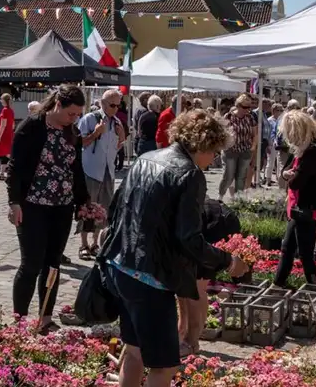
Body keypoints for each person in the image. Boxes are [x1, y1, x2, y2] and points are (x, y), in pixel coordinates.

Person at [101, 109, 247, 387]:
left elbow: (116, 210)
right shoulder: (190, 174)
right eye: (214, 151)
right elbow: (189, 238)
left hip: (122, 267)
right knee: (164, 365)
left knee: (134, 351)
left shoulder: (145, 158)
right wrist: (229, 261)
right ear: (203, 144)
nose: (214, 158)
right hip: (150, 277)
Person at [6, 85, 88, 332]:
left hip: (62, 207)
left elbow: (76, 169)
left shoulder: (72, 132)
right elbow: (15, 168)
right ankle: (19, 322)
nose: (74, 119)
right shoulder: (32, 127)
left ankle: (45, 318)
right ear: (58, 104)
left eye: (78, 115)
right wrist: (14, 202)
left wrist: (83, 202)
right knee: (31, 264)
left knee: (53, 264)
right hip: (33, 205)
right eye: (71, 113)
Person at [275, 110, 316, 288]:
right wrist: (286, 174)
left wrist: (289, 176)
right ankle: (278, 283)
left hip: (308, 207)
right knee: (287, 248)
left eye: (290, 133)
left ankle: (314, 288)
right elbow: (287, 170)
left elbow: (296, 183)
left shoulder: (314, 151)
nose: (289, 138)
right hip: (300, 208)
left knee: (305, 253)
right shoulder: (305, 148)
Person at [177, 198, 241, 354]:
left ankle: (191, 342)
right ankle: (183, 332)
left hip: (215, 224)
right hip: (199, 224)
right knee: (183, 284)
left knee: (196, 285)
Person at [77, 89, 124, 259]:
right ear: (103, 103)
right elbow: (79, 143)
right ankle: (83, 244)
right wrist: (95, 133)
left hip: (108, 171)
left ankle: (95, 243)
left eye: (118, 105)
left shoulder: (116, 122)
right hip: (91, 170)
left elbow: (116, 148)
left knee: (103, 209)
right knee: (87, 208)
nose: (116, 109)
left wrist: (122, 136)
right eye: (112, 105)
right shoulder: (90, 119)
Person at [218, 94, 257, 199]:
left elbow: (255, 134)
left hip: (245, 150)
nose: (247, 109)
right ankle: (220, 197)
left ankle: (238, 199)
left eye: (249, 107)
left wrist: (253, 146)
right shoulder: (229, 116)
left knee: (241, 177)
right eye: (245, 107)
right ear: (238, 106)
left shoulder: (250, 117)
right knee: (229, 176)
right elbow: (222, 133)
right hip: (231, 150)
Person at [262, 103, 285, 186]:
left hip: (279, 144)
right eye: (278, 110)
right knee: (270, 161)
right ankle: (268, 179)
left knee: (279, 163)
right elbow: (267, 133)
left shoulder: (282, 120)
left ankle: (279, 179)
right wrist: (268, 144)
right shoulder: (269, 120)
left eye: (281, 110)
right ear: (273, 111)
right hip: (271, 143)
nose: (279, 112)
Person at [0, 93, 16, 181]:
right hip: (9, 133)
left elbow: (3, 125)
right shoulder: (11, 110)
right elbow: (13, 125)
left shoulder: (5, 110)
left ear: (4, 100)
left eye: (1, 100)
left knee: (4, 153)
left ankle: (5, 172)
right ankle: (2, 173)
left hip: (4, 135)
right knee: (6, 154)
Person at [115, 99, 130, 172]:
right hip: (116, 133)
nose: (119, 106)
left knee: (120, 150)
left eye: (120, 105)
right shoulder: (116, 112)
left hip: (121, 132)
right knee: (116, 150)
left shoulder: (123, 113)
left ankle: (119, 165)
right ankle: (116, 165)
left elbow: (124, 122)